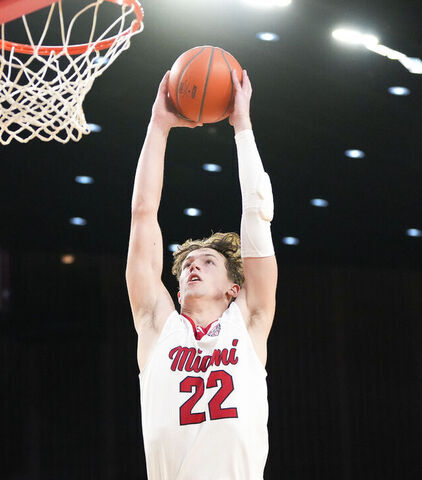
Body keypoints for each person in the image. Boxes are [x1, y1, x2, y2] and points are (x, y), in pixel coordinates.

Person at [126, 69, 278, 479]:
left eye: (208, 261)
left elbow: (257, 216)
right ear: (175, 292)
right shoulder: (158, 326)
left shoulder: (247, 322)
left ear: (234, 288)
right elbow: (143, 216)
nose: (194, 265)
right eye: (189, 264)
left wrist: (242, 126)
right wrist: (158, 126)